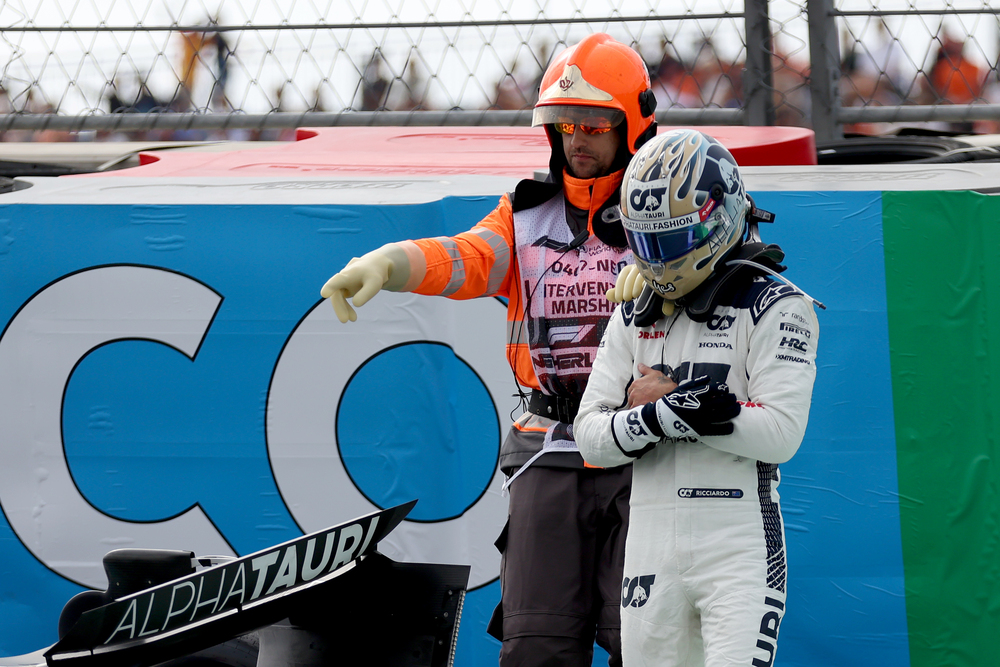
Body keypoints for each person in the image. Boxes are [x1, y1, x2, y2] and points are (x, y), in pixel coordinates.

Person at [319, 33, 658, 667]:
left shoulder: (667, 210)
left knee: (646, 644)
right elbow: (465, 257)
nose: (578, 140)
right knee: (536, 647)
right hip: (549, 449)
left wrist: (666, 263)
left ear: (631, 127)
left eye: (594, 125)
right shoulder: (523, 218)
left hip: (642, 445)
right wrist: (389, 262)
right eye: (566, 125)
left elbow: (730, 266)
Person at [574, 128, 821, 667]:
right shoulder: (632, 311)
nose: (658, 260)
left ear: (718, 216)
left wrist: (664, 403)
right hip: (649, 545)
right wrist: (669, 414)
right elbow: (589, 437)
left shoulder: (780, 306)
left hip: (737, 545)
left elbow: (781, 434)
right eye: (646, 244)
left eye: (671, 241)